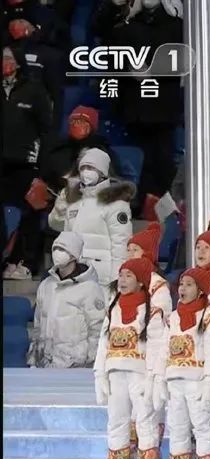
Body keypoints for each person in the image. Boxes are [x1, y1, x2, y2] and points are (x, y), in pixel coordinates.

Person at [92, 0, 183, 213]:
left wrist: (153, 70)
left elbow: (182, 58)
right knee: (141, 159)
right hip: (135, 106)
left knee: (162, 158)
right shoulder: (127, 27)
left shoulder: (175, 26)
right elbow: (110, 53)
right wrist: (129, 68)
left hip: (164, 106)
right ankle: (143, 203)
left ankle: (164, 205)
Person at [151, 268, 210, 459]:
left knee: (203, 426)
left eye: (189, 284)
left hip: (197, 382)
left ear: (201, 290)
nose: (183, 288)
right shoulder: (173, 318)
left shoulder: (209, 318)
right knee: (177, 426)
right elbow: (164, 350)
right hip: (175, 382)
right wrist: (159, 378)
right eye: (181, 284)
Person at [94, 258, 166, 459]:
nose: (122, 280)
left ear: (142, 282)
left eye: (129, 276)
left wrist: (154, 377)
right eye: (121, 275)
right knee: (116, 420)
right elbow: (103, 344)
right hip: (116, 373)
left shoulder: (152, 312)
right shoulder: (113, 309)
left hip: (140, 375)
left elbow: (157, 347)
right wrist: (99, 373)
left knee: (145, 420)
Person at [2, 45, 51, 278]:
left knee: (31, 214)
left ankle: (26, 263)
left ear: (19, 62)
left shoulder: (34, 90)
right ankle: (6, 260)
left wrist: (42, 168)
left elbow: (47, 131)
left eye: (8, 58)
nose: (5, 63)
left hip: (26, 163)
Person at [28, 232, 106, 369]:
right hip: (45, 364)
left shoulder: (90, 288)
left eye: (62, 249)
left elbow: (97, 328)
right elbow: (38, 325)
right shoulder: (46, 285)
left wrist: (92, 361)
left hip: (76, 366)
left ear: (74, 255)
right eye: (55, 249)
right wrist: (34, 357)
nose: (57, 253)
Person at [60, 149, 135, 287]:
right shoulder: (74, 203)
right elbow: (66, 242)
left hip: (102, 279)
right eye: (83, 168)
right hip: (76, 276)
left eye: (90, 168)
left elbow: (121, 245)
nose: (85, 172)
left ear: (102, 172)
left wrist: (116, 282)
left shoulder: (116, 203)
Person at [38, 106, 115, 206]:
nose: (76, 125)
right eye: (73, 121)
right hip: (59, 201)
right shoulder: (59, 150)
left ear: (91, 127)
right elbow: (46, 177)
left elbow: (112, 181)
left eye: (81, 122)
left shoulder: (103, 152)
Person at [126, 223, 172, 317]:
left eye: (135, 250)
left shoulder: (158, 284)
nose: (130, 255)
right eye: (128, 250)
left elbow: (161, 316)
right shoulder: (123, 279)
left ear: (147, 252)